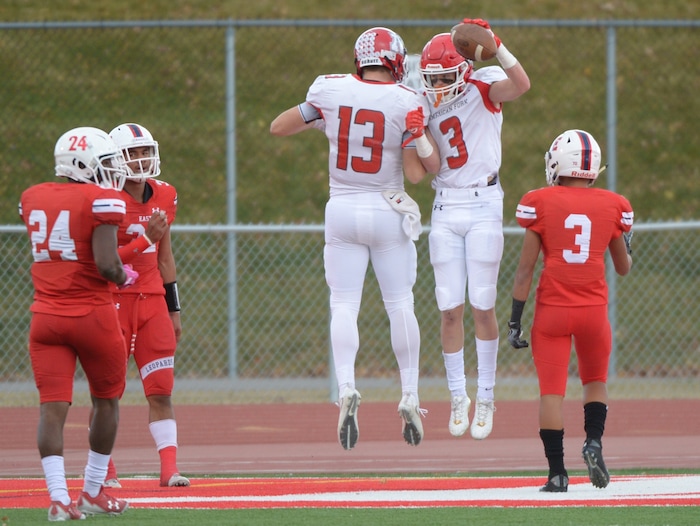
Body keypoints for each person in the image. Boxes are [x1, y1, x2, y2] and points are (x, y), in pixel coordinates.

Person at [270, 27, 440, 450]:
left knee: (344, 304)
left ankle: (346, 387)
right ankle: (410, 394)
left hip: (342, 208)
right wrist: (418, 135)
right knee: (400, 303)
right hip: (387, 208)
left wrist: (321, 116)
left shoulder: (329, 90)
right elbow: (425, 170)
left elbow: (278, 127)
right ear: (397, 61)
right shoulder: (406, 101)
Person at [418, 19, 531, 440]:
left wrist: (498, 46)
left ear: (463, 69)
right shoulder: (424, 101)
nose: (438, 86)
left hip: (484, 204)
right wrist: (416, 134)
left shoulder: (484, 85)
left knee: (482, 305)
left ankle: (486, 394)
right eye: (431, 79)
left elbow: (521, 84)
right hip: (445, 205)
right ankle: (457, 396)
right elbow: (424, 164)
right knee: (449, 308)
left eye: (445, 76)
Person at [507, 129, 634, 492]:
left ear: (557, 163)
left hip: (552, 313)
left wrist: (515, 319)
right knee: (595, 383)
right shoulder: (613, 205)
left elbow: (525, 270)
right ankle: (593, 442)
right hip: (593, 310)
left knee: (552, 392)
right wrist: (625, 237)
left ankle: (557, 473)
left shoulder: (540, 201)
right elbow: (623, 268)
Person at [19, 126, 135, 520]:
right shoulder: (101, 200)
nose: (112, 172)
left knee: (52, 409)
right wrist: (123, 276)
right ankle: (91, 490)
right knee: (107, 401)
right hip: (91, 316)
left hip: (45, 317)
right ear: (82, 165)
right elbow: (106, 264)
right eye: (105, 164)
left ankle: (57, 498)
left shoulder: (34, 196)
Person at [98, 122, 189, 488]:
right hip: (112, 300)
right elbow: (102, 262)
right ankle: (104, 469)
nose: (140, 159)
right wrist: (142, 241)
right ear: (115, 160)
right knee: (108, 391)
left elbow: (165, 257)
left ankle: (169, 469)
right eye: (132, 154)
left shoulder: (165, 194)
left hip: (151, 299)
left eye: (143, 151)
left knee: (161, 388)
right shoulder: (103, 197)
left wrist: (174, 308)